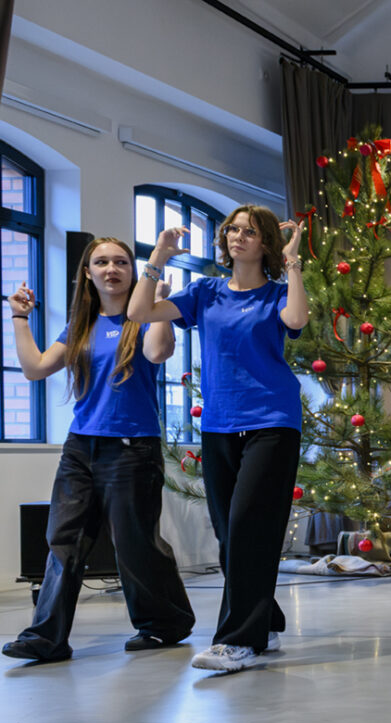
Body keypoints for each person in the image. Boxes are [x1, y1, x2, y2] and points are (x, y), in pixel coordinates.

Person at [129, 206, 309, 673]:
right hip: (218, 424)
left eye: (249, 231)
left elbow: (297, 318)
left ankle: (238, 640)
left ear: (265, 242)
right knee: (230, 535)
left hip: (272, 422)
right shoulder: (205, 292)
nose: (236, 236)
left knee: (249, 526)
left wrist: (292, 262)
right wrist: (158, 256)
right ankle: (265, 617)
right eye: (232, 229)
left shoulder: (276, 294)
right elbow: (139, 311)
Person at [3, 238, 194, 662]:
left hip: (132, 447)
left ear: (132, 270)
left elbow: (158, 352)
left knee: (134, 543)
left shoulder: (144, 315)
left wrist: (159, 304)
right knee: (62, 540)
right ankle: (46, 637)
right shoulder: (80, 326)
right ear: (87, 273)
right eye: (102, 262)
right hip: (80, 446)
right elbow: (35, 368)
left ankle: (165, 623)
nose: (112, 269)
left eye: (121, 261)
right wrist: (19, 317)